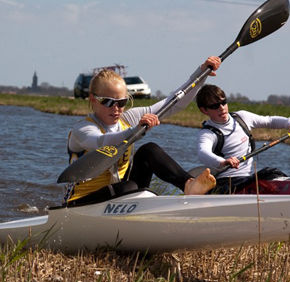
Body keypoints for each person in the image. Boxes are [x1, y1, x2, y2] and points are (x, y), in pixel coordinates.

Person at [64, 57, 222, 206]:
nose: (116, 109)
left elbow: (173, 103)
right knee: (129, 189)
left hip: (121, 195)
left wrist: (201, 74)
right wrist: (136, 129)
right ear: (92, 99)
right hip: (81, 203)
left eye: (122, 102)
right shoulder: (83, 129)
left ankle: (189, 186)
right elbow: (101, 141)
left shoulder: (128, 119)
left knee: (149, 150)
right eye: (108, 102)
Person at [194, 84, 290, 194]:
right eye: (215, 106)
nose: (221, 108)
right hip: (227, 184)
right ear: (204, 110)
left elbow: (269, 121)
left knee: (272, 174)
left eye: (223, 102)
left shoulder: (242, 117)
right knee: (270, 173)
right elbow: (203, 152)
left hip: (248, 180)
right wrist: (223, 162)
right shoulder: (207, 133)